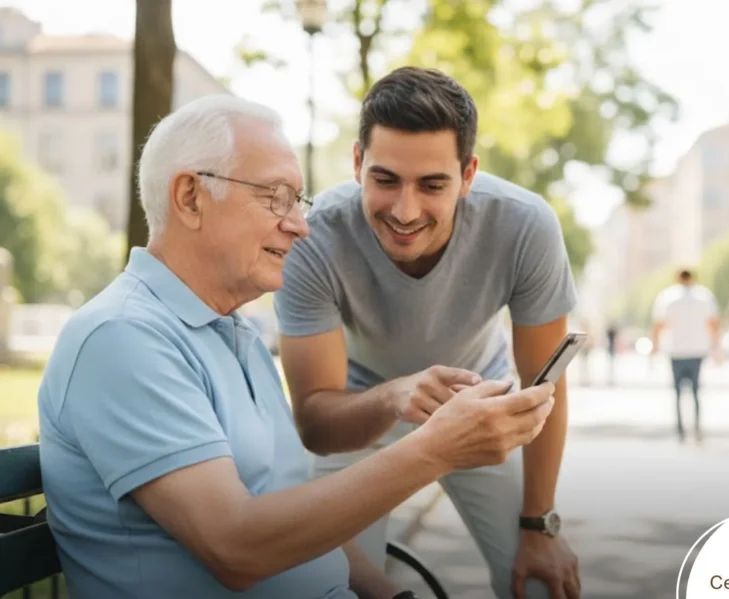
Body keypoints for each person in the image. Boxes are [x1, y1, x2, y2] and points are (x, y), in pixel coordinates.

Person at [36, 94, 557, 599]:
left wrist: (389, 594)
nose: (300, 226)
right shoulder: (122, 338)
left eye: (299, 200)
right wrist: (436, 447)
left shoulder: (237, 337)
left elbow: (291, 507)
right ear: (191, 197)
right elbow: (236, 549)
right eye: (276, 197)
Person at [273, 67, 580, 599]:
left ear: (467, 175)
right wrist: (397, 396)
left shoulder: (525, 225)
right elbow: (317, 425)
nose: (405, 210)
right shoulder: (312, 235)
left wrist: (541, 526)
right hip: (360, 408)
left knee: (539, 580)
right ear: (356, 164)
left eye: (433, 184)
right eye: (385, 179)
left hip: (483, 401)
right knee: (328, 586)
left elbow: (543, 388)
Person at [651, 268, 720, 443]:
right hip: (698, 350)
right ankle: (696, 427)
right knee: (696, 392)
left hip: (676, 351)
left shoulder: (667, 296)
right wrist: (715, 346)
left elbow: (659, 324)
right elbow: (712, 324)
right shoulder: (704, 296)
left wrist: (655, 346)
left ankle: (681, 431)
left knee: (678, 393)